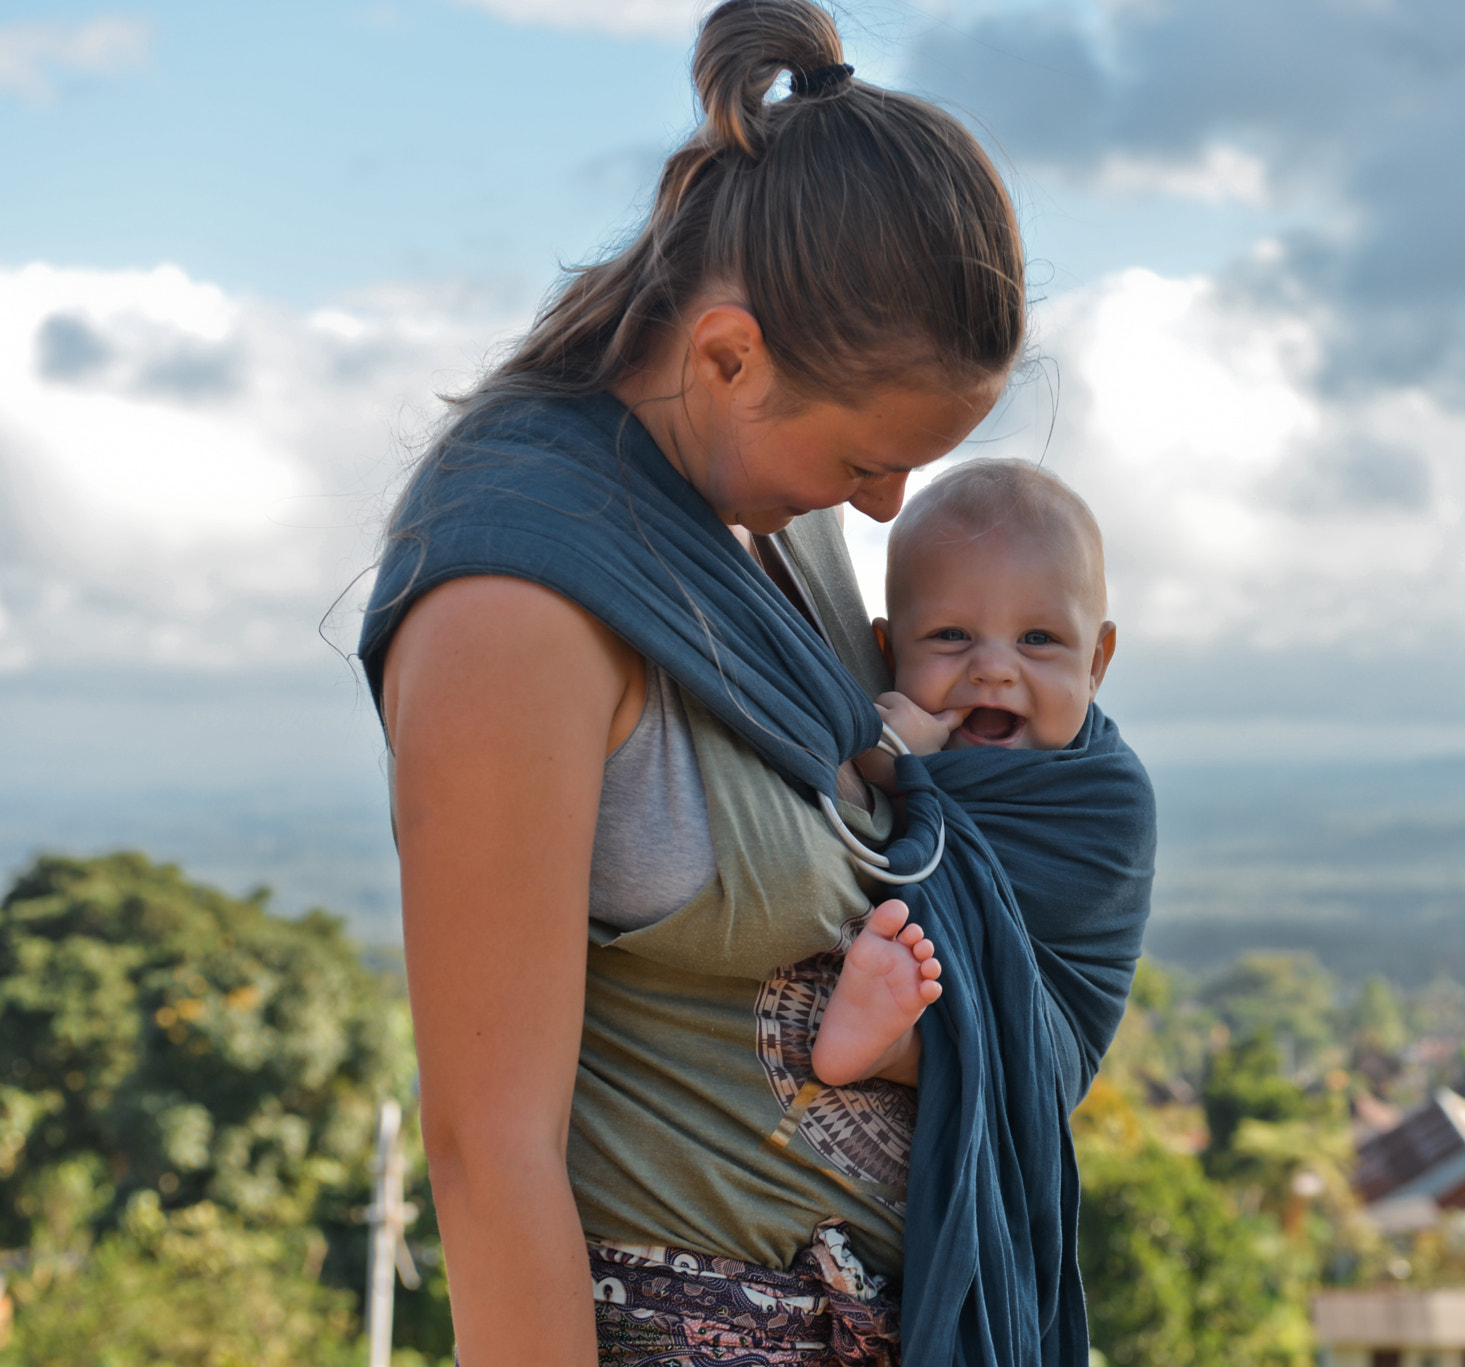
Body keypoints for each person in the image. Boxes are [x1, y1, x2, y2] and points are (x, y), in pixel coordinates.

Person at [356, 0, 1050, 1361]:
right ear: (729, 354)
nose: (889, 502)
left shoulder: (765, 519)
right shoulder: (519, 609)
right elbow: (487, 1156)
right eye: (865, 461)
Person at [814, 459, 1121, 1089]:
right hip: (930, 972)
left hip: (1049, 1029)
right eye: (951, 635)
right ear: (888, 655)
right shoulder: (892, 736)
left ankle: (896, 1050)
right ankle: (895, 1035)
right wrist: (916, 770)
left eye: (1037, 638)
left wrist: (913, 777)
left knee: (1029, 1054)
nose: (993, 669)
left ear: (1096, 662)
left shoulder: (1106, 795)